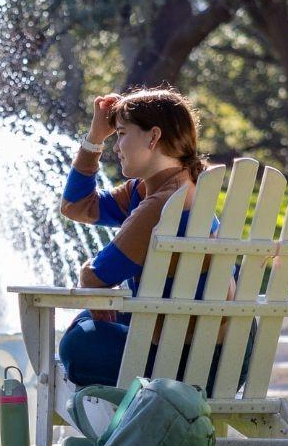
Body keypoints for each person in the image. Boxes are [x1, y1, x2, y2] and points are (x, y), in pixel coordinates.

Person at [55, 87, 211, 386]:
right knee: (93, 321)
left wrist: (87, 271)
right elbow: (76, 207)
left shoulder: (158, 204)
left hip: (179, 360)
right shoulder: (174, 187)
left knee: (77, 344)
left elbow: (95, 279)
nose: (115, 147)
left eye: (121, 133)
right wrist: (94, 138)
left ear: (153, 137)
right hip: (216, 354)